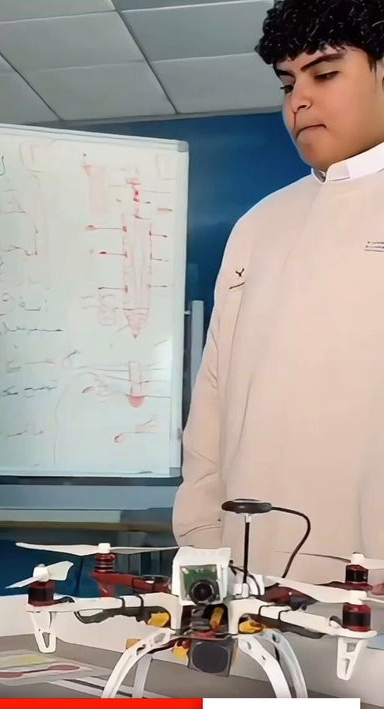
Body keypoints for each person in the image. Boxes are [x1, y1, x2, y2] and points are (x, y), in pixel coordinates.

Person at [173, 0, 384, 583]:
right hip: (248, 569)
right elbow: (213, 401)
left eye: (325, 74)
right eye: (289, 84)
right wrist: (201, 543)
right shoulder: (259, 223)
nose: (299, 101)